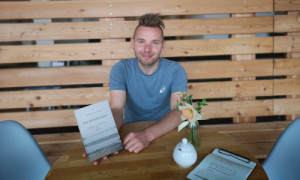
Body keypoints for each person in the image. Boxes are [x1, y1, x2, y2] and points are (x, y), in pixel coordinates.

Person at [84, 13, 187, 165]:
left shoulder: (176, 70)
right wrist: (104, 138)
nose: (147, 49)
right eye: (141, 41)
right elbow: (117, 109)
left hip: (165, 132)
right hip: (129, 134)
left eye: (155, 43)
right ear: (132, 43)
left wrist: (148, 134)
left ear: (163, 45)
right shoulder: (120, 69)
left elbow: (179, 113)